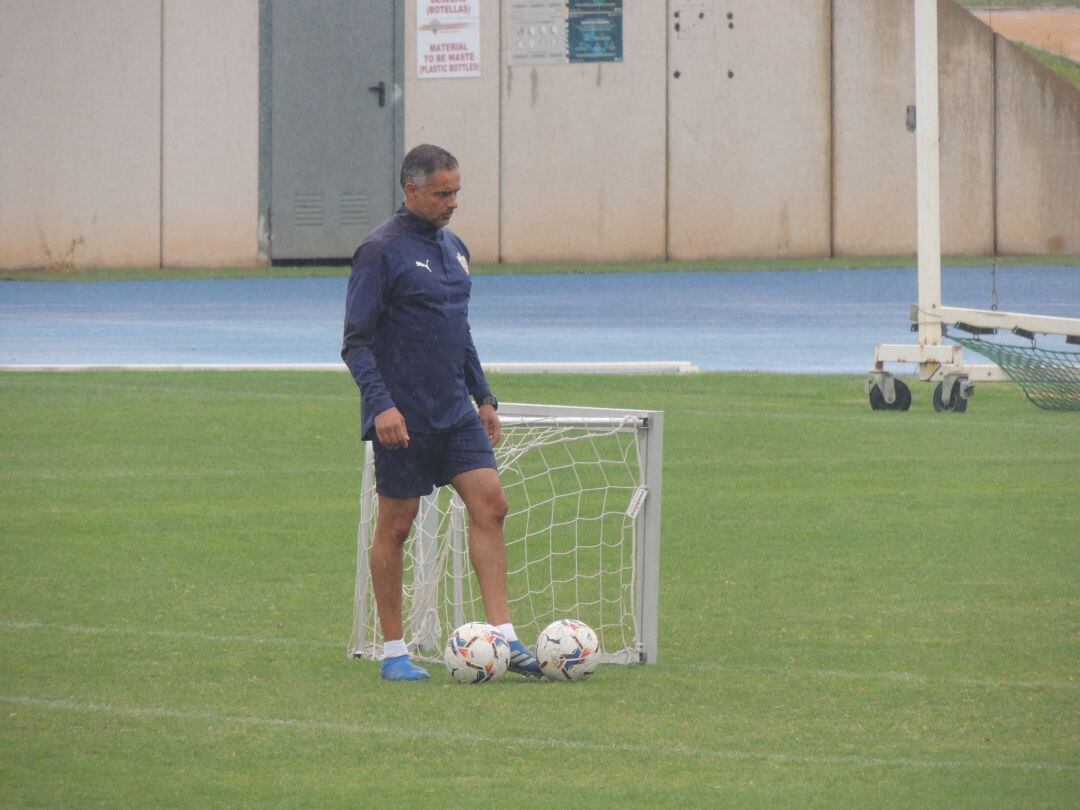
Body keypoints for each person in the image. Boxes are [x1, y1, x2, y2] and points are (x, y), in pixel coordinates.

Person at [341, 144, 541, 681]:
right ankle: (394, 652)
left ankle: (503, 637)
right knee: (397, 527)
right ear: (412, 190)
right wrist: (381, 406)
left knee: (492, 505)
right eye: (442, 193)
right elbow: (355, 343)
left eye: (456, 192)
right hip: (403, 419)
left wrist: (484, 397)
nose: (452, 202)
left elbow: (460, 330)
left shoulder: (456, 249)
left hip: (455, 412)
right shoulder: (378, 252)